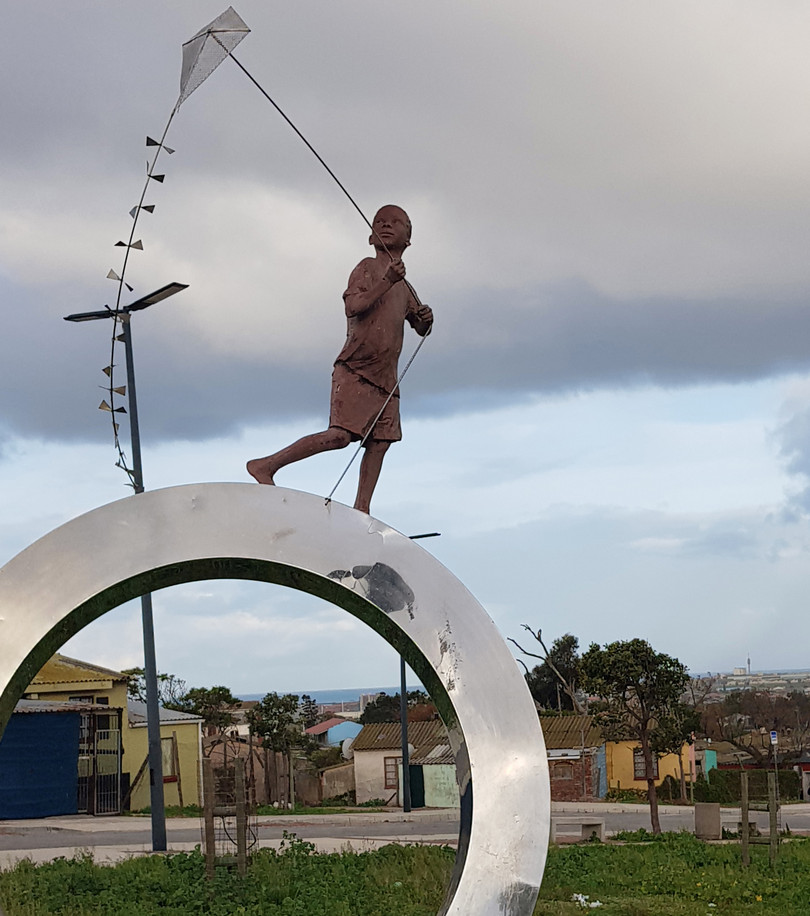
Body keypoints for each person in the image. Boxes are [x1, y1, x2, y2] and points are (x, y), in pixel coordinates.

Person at [247, 204, 433, 513]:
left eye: (395, 222)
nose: (386, 225)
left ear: (408, 239)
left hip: (386, 377)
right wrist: (386, 280)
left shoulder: (405, 287)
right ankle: (266, 465)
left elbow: (419, 326)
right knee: (339, 436)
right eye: (380, 222)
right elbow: (354, 306)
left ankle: (362, 508)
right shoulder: (367, 268)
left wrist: (426, 317)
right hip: (356, 369)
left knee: (380, 441)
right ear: (371, 235)